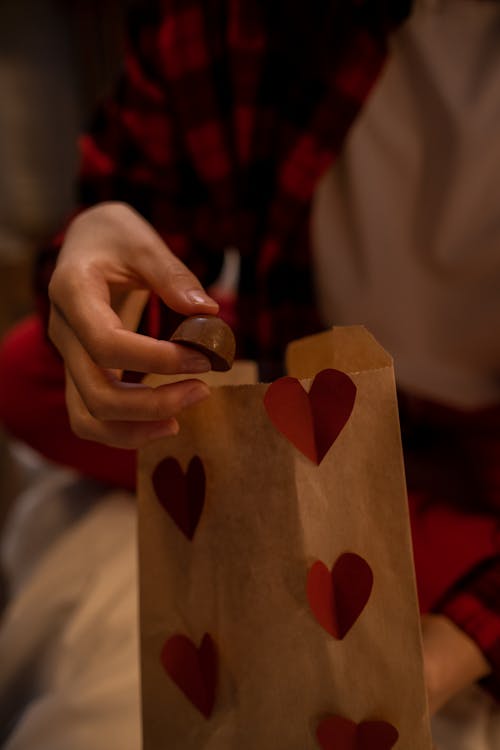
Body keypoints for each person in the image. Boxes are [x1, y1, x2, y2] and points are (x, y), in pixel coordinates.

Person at [0, 0, 499, 736]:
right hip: (307, 399)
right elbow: (140, 213)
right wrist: (100, 242)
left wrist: (455, 642)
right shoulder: (231, 21)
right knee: (30, 373)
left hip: (473, 464)